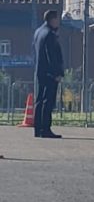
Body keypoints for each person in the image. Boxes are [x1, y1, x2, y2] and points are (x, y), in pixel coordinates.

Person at [33, 9, 64, 138]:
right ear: (52, 19)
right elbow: (51, 55)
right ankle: (45, 129)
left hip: (39, 71)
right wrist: (56, 73)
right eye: (57, 19)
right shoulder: (50, 34)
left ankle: (38, 129)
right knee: (48, 101)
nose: (58, 22)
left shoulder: (38, 32)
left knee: (39, 100)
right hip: (49, 73)